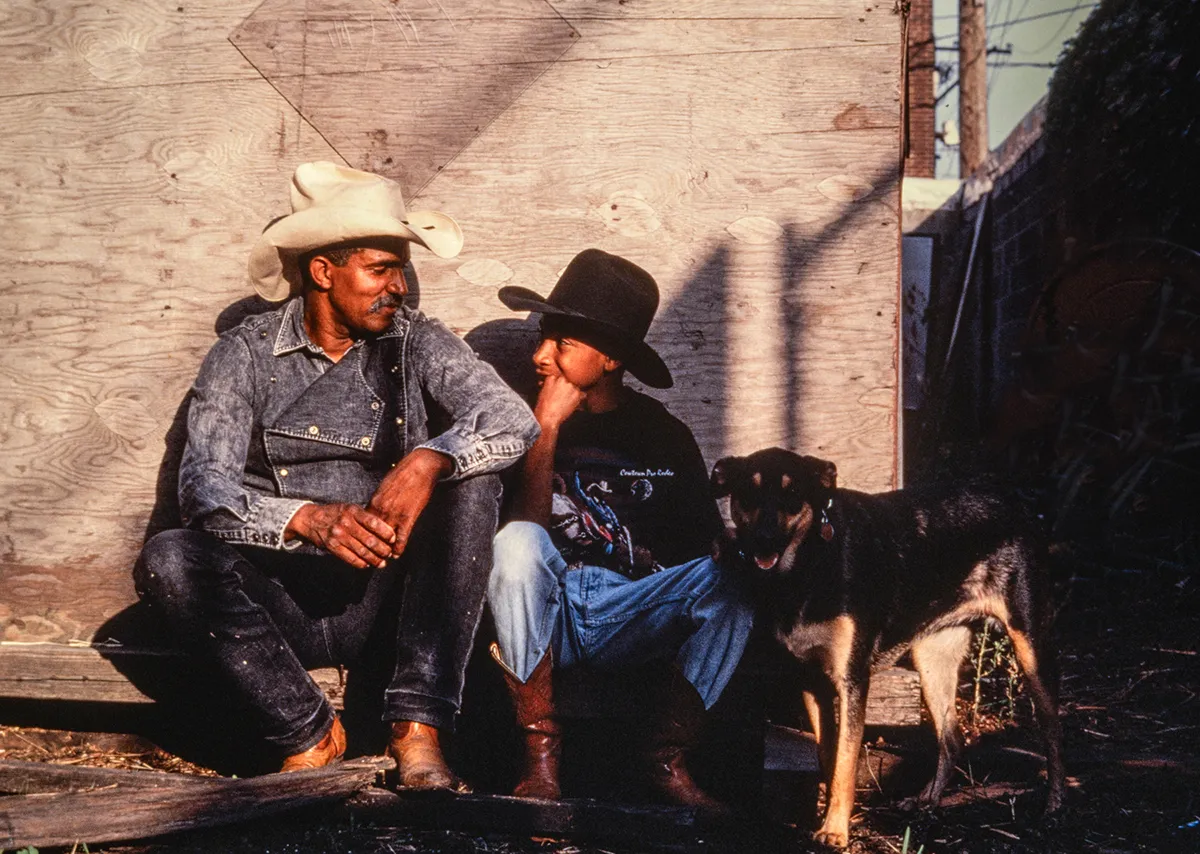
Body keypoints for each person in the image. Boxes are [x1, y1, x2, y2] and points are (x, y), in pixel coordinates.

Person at [134, 162, 539, 788]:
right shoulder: (243, 354)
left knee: (474, 484)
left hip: (390, 605)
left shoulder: (415, 341)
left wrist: (432, 459)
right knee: (169, 558)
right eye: (381, 269)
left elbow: (511, 418)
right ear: (323, 272)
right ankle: (310, 733)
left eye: (401, 269)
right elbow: (204, 491)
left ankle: (417, 729)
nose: (399, 286)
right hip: (283, 603)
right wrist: (307, 519)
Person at [486, 249, 755, 813]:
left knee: (731, 583)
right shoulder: (520, 421)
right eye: (543, 338)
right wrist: (546, 427)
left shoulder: (663, 436)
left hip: (630, 613)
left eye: (560, 343)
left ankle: (665, 759)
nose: (539, 355)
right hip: (546, 612)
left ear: (608, 358)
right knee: (515, 542)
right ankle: (540, 755)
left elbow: (698, 556)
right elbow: (523, 537)